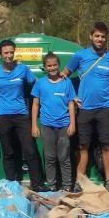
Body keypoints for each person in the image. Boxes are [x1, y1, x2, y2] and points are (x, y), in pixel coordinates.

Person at [63, 21, 109, 192]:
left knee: (107, 145)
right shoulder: (80, 56)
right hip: (85, 109)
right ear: (91, 36)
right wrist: (73, 97)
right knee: (82, 146)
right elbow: (64, 76)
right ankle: (79, 181)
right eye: (97, 36)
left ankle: (108, 182)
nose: (100, 39)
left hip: (105, 108)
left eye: (103, 36)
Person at [0, 39, 45, 191]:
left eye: (11, 52)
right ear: (0, 55)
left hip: (21, 115)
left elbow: (37, 84)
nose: (9, 55)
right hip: (3, 116)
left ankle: (37, 184)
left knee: (30, 151)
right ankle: (12, 185)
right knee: (8, 152)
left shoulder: (23, 69)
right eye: (6, 52)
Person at [31, 52, 77, 192]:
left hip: (64, 126)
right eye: (49, 66)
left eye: (54, 65)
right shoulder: (40, 83)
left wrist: (72, 124)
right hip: (47, 126)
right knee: (50, 157)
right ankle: (52, 185)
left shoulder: (66, 82)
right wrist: (34, 125)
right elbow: (35, 105)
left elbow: (71, 104)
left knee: (64, 157)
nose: (52, 68)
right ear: (45, 67)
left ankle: (67, 186)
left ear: (59, 65)